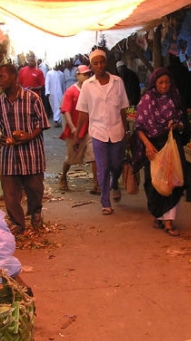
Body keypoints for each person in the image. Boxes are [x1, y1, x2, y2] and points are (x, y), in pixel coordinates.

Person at [0, 62, 51, 235]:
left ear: (14, 77)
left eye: (2, 76)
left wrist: (28, 136)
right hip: (9, 156)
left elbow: (42, 123)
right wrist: (3, 138)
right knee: (10, 193)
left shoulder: (32, 98)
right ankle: (17, 223)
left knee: (35, 189)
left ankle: (36, 213)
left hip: (32, 154)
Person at [130, 67, 189, 236]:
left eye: (167, 82)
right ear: (154, 83)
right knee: (155, 182)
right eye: (161, 82)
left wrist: (176, 125)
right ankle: (159, 214)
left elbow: (183, 122)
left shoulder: (175, 98)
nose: (164, 86)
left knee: (173, 181)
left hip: (172, 145)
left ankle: (169, 222)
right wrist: (148, 145)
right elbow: (139, 127)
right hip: (154, 147)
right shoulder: (147, 100)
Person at [74, 48, 130, 215]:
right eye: (95, 63)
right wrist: (77, 135)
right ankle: (105, 202)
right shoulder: (88, 86)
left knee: (117, 164)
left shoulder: (117, 82)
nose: (99, 66)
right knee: (103, 167)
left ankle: (114, 184)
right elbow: (83, 112)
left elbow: (122, 109)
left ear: (107, 63)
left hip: (117, 130)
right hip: (98, 132)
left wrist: (126, 132)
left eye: (102, 62)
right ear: (91, 66)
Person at [58, 65, 98, 194]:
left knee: (94, 156)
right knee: (71, 158)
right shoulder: (71, 91)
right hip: (74, 131)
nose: (86, 77)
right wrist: (73, 127)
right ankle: (63, 177)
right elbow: (66, 111)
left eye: (88, 74)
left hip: (89, 129)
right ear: (78, 75)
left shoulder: (92, 90)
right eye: (84, 74)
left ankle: (97, 185)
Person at [17, 53, 49, 119]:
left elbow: (42, 86)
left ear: (35, 61)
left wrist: (33, 88)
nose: (30, 62)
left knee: (35, 115)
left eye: (32, 61)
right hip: (24, 97)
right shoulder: (22, 70)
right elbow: (19, 83)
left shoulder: (39, 72)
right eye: (29, 61)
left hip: (35, 97)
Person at [45, 63, 66, 128]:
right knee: (54, 106)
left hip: (60, 93)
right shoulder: (49, 73)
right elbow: (47, 83)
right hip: (52, 93)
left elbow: (63, 84)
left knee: (59, 105)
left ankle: (57, 120)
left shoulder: (61, 74)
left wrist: (64, 92)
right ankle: (57, 120)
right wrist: (47, 91)